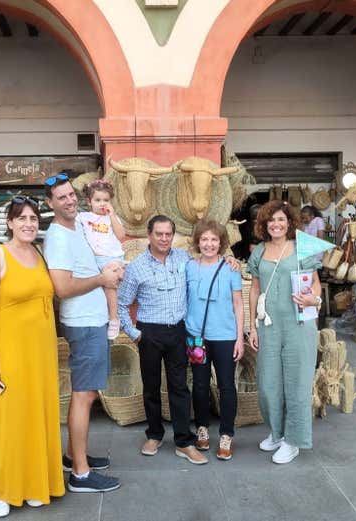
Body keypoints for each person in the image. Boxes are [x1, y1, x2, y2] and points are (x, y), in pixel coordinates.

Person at [0, 196, 65, 517]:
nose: (29, 223)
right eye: (22, 218)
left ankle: (35, 485)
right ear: (10, 223)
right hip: (11, 351)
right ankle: (5, 490)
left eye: (33, 218)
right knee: (10, 419)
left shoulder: (40, 254)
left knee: (38, 415)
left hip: (41, 351)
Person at [42, 173, 123, 494]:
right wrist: (102, 280)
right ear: (50, 204)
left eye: (71, 195)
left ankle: (71, 455)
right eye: (61, 198)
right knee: (84, 395)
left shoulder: (77, 227)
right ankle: (81, 474)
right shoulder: (58, 236)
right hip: (84, 322)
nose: (69, 200)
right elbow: (62, 287)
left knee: (87, 393)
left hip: (94, 319)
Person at [117, 215, 208, 465]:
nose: (164, 238)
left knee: (180, 386)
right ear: (149, 234)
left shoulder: (184, 259)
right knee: (151, 386)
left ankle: (183, 441)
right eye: (159, 234)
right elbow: (122, 304)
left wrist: (228, 261)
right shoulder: (136, 267)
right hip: (150, 333)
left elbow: (206, 270)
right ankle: (154, 434)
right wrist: (135, 334)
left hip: (178, 331)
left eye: (168, 234)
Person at [247, 200, 322, 464]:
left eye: (281, 219)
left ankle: (293, 441)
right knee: (268, 385)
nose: (276, 224)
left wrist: (314, 299)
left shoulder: (303, 246)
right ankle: (277, 433)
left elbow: (315, 284)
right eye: (271, 220)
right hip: (268, 326)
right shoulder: (258, 251)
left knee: (297, 385)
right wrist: (252, 326)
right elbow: (255, 289)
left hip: (299, 325)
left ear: (289, 222)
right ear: (264, 224)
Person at [185, 219, 244, 461]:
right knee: (199, 385)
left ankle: (226, 435)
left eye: (214, 240)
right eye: (204, 239)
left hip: (225, 335)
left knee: (226, 385)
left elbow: (238, 303)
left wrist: (240, 337)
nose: (209, 244)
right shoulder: (188, 266)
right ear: (198, 242)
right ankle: (201, 428)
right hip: (196, 335)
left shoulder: (231, 267)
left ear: (221, 243)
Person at [78, 179, 126, 340]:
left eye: (106, 200)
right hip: (93, 259)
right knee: (92, 287)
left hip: (111, 258)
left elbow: (120, 236)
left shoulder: (112, 218)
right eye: (97, 200)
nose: (102, 204)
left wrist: (112, 215)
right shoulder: (83, 217)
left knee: (109, 284)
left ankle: (113, 318)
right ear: (89, 202)